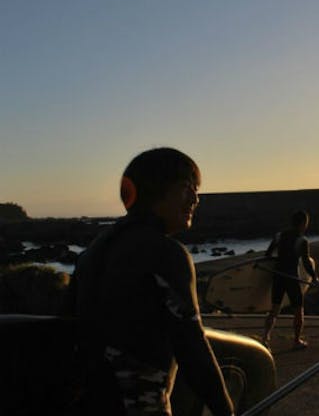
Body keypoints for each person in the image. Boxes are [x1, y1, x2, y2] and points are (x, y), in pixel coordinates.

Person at [69, 147, 234, 416]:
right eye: (187, 187)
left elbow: (68, 324)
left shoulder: (94, 250)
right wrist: (224, 409)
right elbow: (190, 343)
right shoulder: (165, 253)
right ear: (156, 191)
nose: (195, 198)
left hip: (88, 400)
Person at [261, 210, 319, 350]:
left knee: (274, 309)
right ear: (303, 223)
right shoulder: (302, 240)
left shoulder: (279, 236)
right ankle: (296, 341)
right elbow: (306, 262)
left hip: (278, 276)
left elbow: (268, 255)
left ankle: (265, 338)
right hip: (292, 278)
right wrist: (315, 279)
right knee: (298, 310)